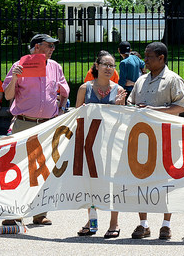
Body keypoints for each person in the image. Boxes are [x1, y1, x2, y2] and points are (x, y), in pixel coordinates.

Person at [2, 33, 69, 226]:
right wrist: (15, 77)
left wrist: (62, 108)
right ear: (36, 47)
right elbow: (8, 95)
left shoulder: (55, 66)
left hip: (47, 124)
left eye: (53, 46)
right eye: (49, 45)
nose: (53, 49)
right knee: (18, 168)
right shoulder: (19, 66)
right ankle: (15, 212)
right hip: (24, 122)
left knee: (43, 168)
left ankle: (40, 212)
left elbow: (64, 90)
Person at [128, 41, 184, 240]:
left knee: (167, 182)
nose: (144, 60)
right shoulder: (140, 80)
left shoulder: (173, 79)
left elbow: (181, 107)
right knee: (141, 180)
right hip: (142, 140)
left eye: (149, 56)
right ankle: (143, 224)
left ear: (161, 58)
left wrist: (153, 111)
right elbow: (131, 104)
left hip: (166, 139)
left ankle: (166, 224)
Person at [74, 51, 126, 238]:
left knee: (113, 182)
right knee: (90, 183)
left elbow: (122, 121)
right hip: (89, 142)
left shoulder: (119, 90)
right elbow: (76, 117)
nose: (109, 68)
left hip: (111, 143)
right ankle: (92, 221)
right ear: (96, 66)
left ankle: (114, 223)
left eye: (112, 65)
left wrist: (120, 107)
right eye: (105, 64)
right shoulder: (84, 88)